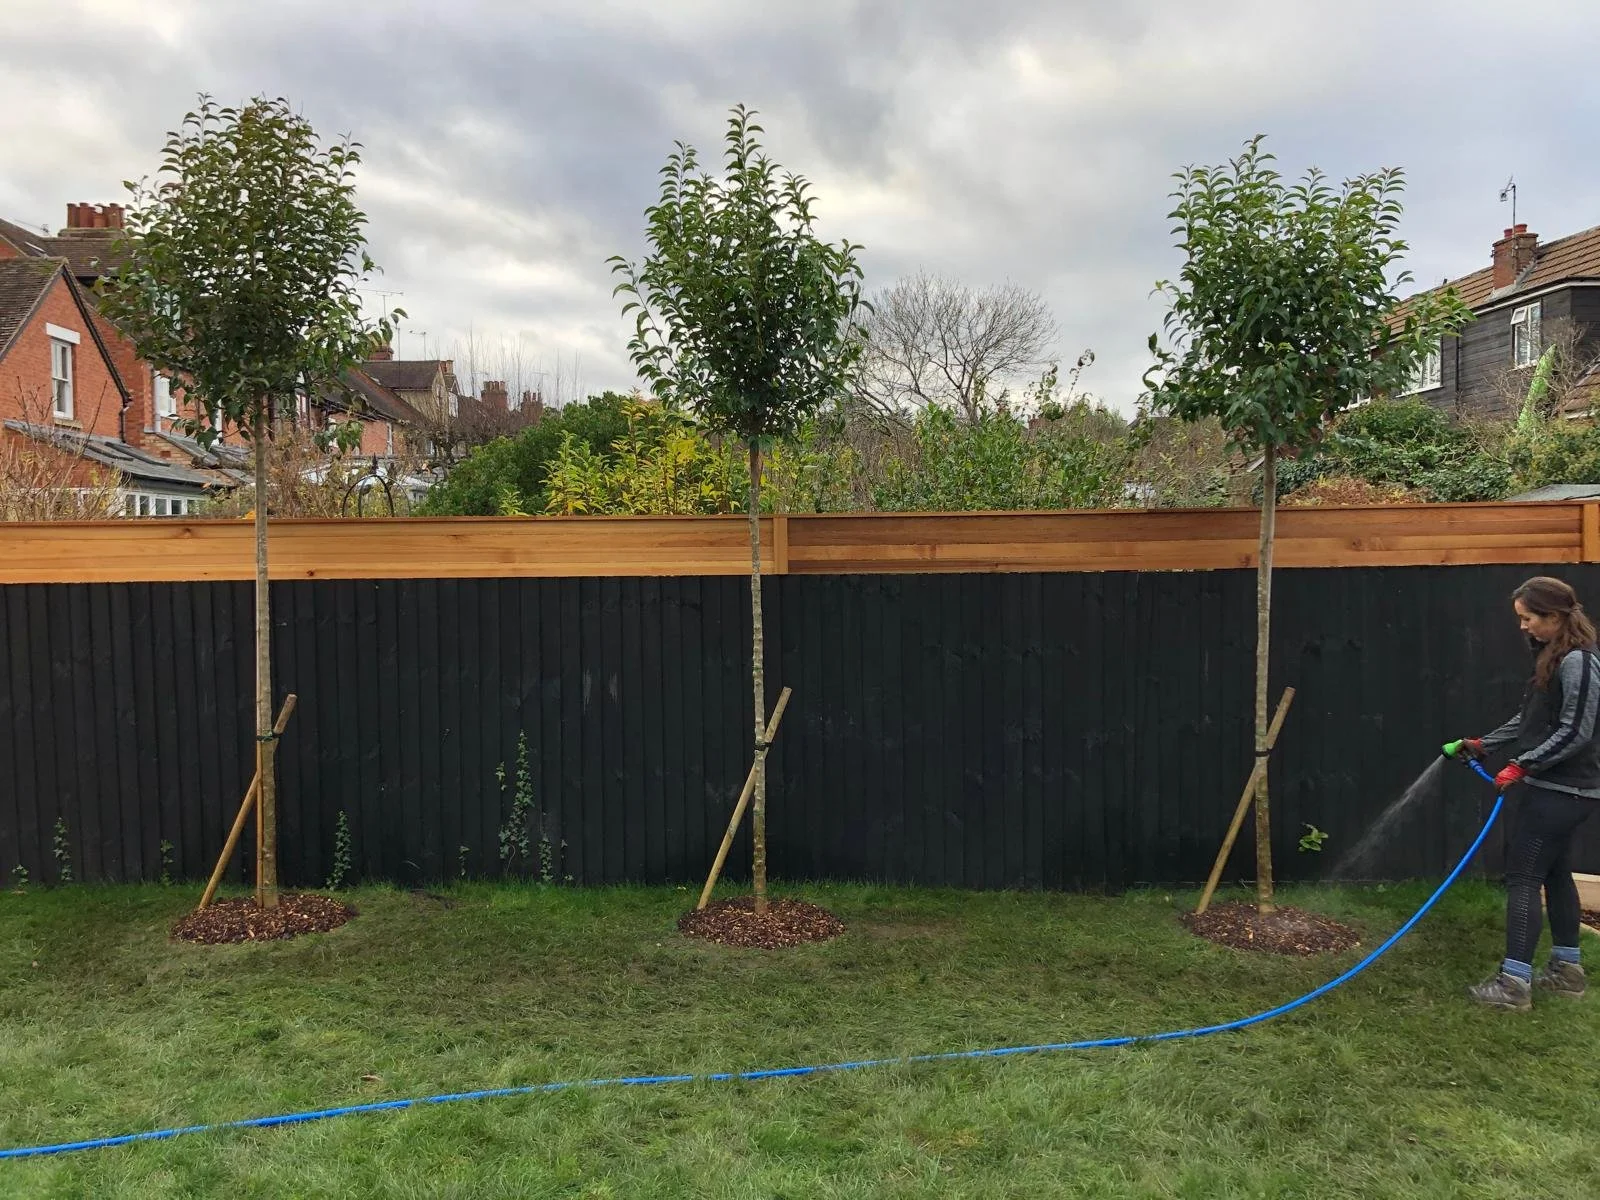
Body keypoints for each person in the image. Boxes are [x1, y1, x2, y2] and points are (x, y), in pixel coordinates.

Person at [1444, 576, 1600, 1011]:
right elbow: (1530, 720)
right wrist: (1486, 744)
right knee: (1555, 872)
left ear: (1554, 617)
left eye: (1529, 618)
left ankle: (1514, 985)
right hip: (1556, 789)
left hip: (1564, 790)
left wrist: (1522, 765)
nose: (1523, 626)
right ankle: (1567, 971)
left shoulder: (1579, 662)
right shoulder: (1554, 657)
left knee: (1524, 878)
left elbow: (1575, 732)